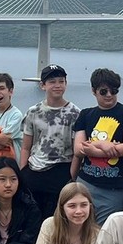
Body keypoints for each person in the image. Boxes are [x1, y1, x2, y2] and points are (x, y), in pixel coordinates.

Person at [73, 68, 123, 224]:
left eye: (114, 90)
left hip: (114, 188)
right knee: (81, 228)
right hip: (85, 184)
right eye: (103, 91)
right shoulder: (85, 114)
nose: (109, 95)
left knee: (107, 231)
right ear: (94, 91)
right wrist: (104, 146)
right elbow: (78, 149)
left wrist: (93, 148)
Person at [19, 64, 81, 221]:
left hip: (61, 170)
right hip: (34, 170)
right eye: (52, 82)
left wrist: (72, 177)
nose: (57, 85)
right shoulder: (33, 111)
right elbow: (26, 147)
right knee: (31, 219)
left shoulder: (75, 113)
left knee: (55, 220)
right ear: (43, 85)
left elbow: (76, 152)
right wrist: (22, 173)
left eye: (61, 81)